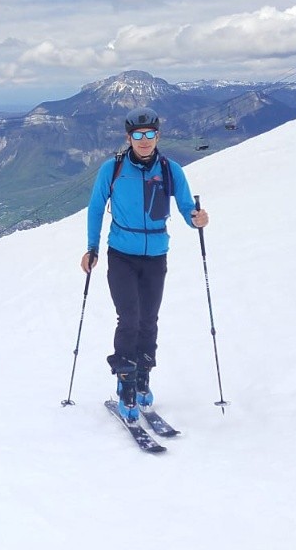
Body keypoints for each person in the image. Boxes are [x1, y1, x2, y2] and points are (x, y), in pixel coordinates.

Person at [80, 106, 209, 422]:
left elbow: (185, 209)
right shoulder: (112, 169)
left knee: (149, 318)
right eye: (138, 135)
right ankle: (125, 384)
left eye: (150, 134)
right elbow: (96, 208)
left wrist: (197, 220)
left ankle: (142, 377)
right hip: (121, 254)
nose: (144, 140)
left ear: (157, 135)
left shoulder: (170, 170)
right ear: (129, 138)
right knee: (130, 317)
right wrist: (91, 248)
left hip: (156, 256)